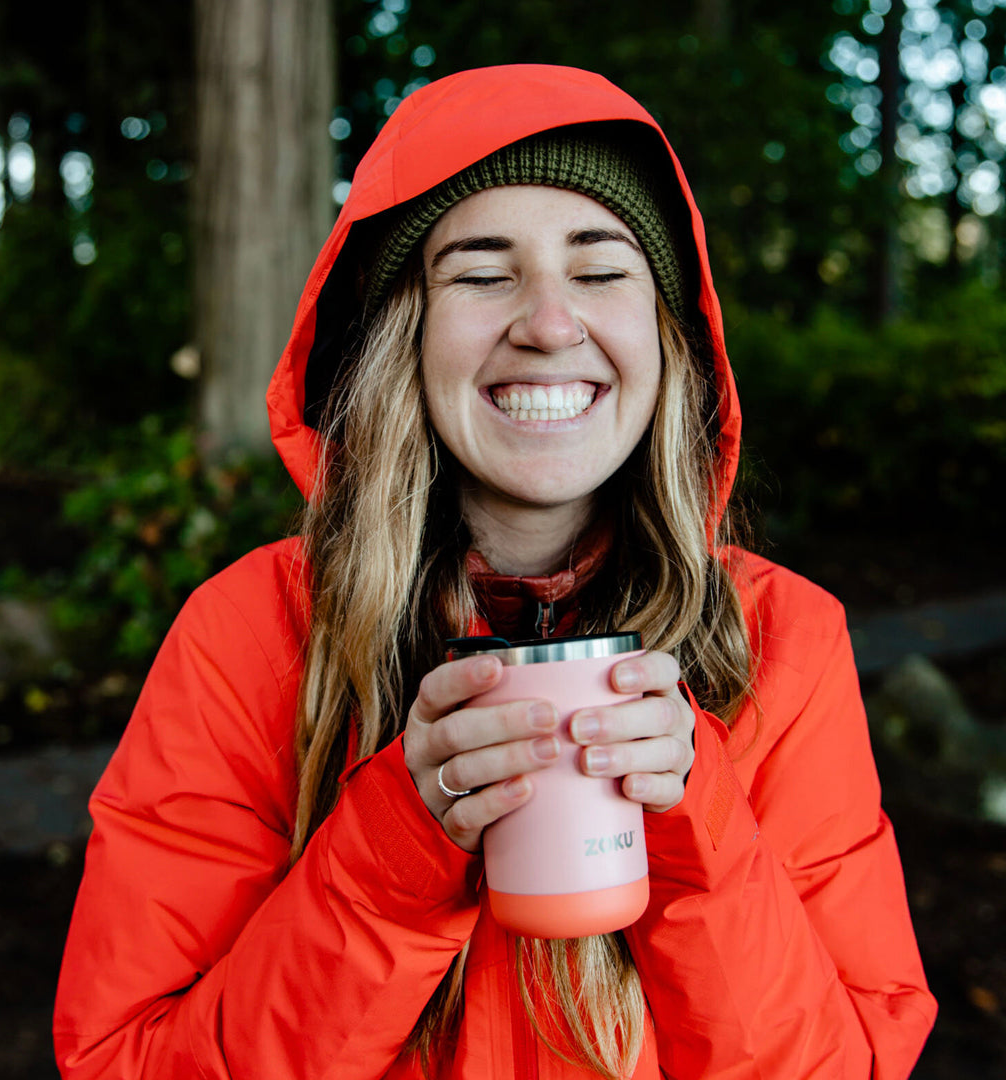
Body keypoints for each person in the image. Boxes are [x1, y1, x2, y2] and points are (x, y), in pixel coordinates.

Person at [54, 64, 936, 1079]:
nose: (550, 323)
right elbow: (122, 1061)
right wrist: (395, 847)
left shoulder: (783, 637)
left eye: (601, 271)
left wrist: (697, 822)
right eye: (482, 272)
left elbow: (847, 1065)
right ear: (404, 331)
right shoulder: (250, 632)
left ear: (670, 335)